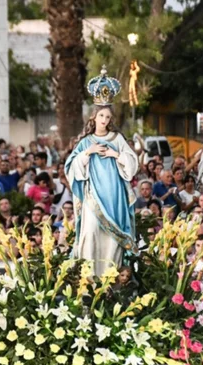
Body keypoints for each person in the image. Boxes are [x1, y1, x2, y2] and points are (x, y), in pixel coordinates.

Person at [65, 69, 139, 275]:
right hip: (93, 196)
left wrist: (116, 155)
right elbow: (70, 168)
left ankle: (111, 282)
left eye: (108, 116)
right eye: (101, 116)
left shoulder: (117, 139)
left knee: (112, 239)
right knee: (90, 232)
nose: (104, 120)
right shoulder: (85, 142)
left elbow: (132, 164)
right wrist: (88, 152)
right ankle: (89, 280)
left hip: (114, 195)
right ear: (94, 117)